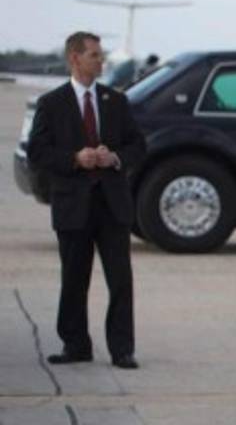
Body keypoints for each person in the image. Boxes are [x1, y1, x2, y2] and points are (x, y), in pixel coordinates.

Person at [26, 31, 146, 370]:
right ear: (75, 58)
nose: (101, 60)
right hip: (73, 204)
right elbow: (38, 152)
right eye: (94, 54)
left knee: (120, 279)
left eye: (101, 54)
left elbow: (138, 146)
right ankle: (75, 344)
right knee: (74, 279)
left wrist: (115, 158)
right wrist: (75, 159)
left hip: (112, 205)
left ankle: (122, 349)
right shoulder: (52, 103)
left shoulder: (116, 101)